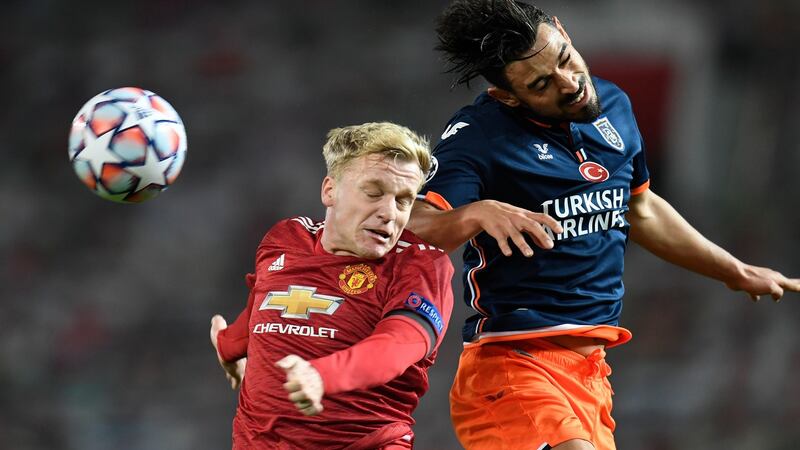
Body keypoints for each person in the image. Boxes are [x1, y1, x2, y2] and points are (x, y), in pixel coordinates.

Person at [405, 1, 800, 449]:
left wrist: (735, 271)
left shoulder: (613, 104)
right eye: (541, 84)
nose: (569, 83)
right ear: (507, 96)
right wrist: (474, 212)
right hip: (513, 370)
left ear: (562, 31)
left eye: (565, 60)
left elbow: (642, 209)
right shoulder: (479, 134)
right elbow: (416, 224)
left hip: (591, 377)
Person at [209, 122, 455, 449]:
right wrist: (228, 345)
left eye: (403, 200)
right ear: (330, 190)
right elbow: (264, 311)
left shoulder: (421, 265)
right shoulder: (285, 239)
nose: (388, 213)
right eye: (374, 193)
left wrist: (322, 375)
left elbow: (399, 345)